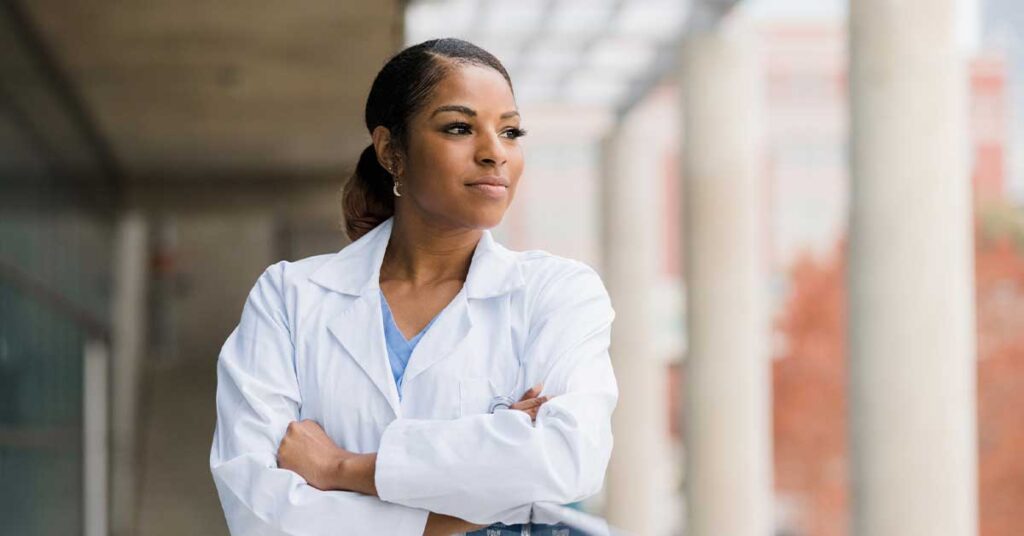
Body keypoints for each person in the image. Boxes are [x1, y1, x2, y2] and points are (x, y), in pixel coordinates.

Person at [209, 38, 618, 536]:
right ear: (391, 152)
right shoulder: (289, 297)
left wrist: (342, 470)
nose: (495, 153)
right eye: (459, 128)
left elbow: (567, 460)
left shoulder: (556, 293)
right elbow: (257, 509)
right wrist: (457, 516)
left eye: (510, 131)